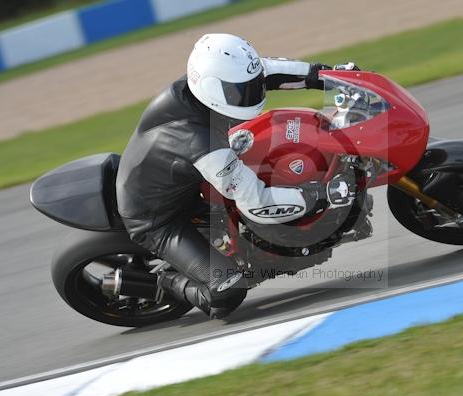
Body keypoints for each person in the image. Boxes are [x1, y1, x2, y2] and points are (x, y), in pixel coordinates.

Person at [116, 33, 358, 319]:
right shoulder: (195, 140)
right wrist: (316, 196)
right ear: (212, 88)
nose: (250, 95)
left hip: (186, 182)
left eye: (249, 87)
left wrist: (326, 75)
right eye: (239, 91)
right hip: (158, 218)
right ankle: (160, 283)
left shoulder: (212, 82)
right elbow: (256, 201)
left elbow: (269, 72)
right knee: (227, 291)